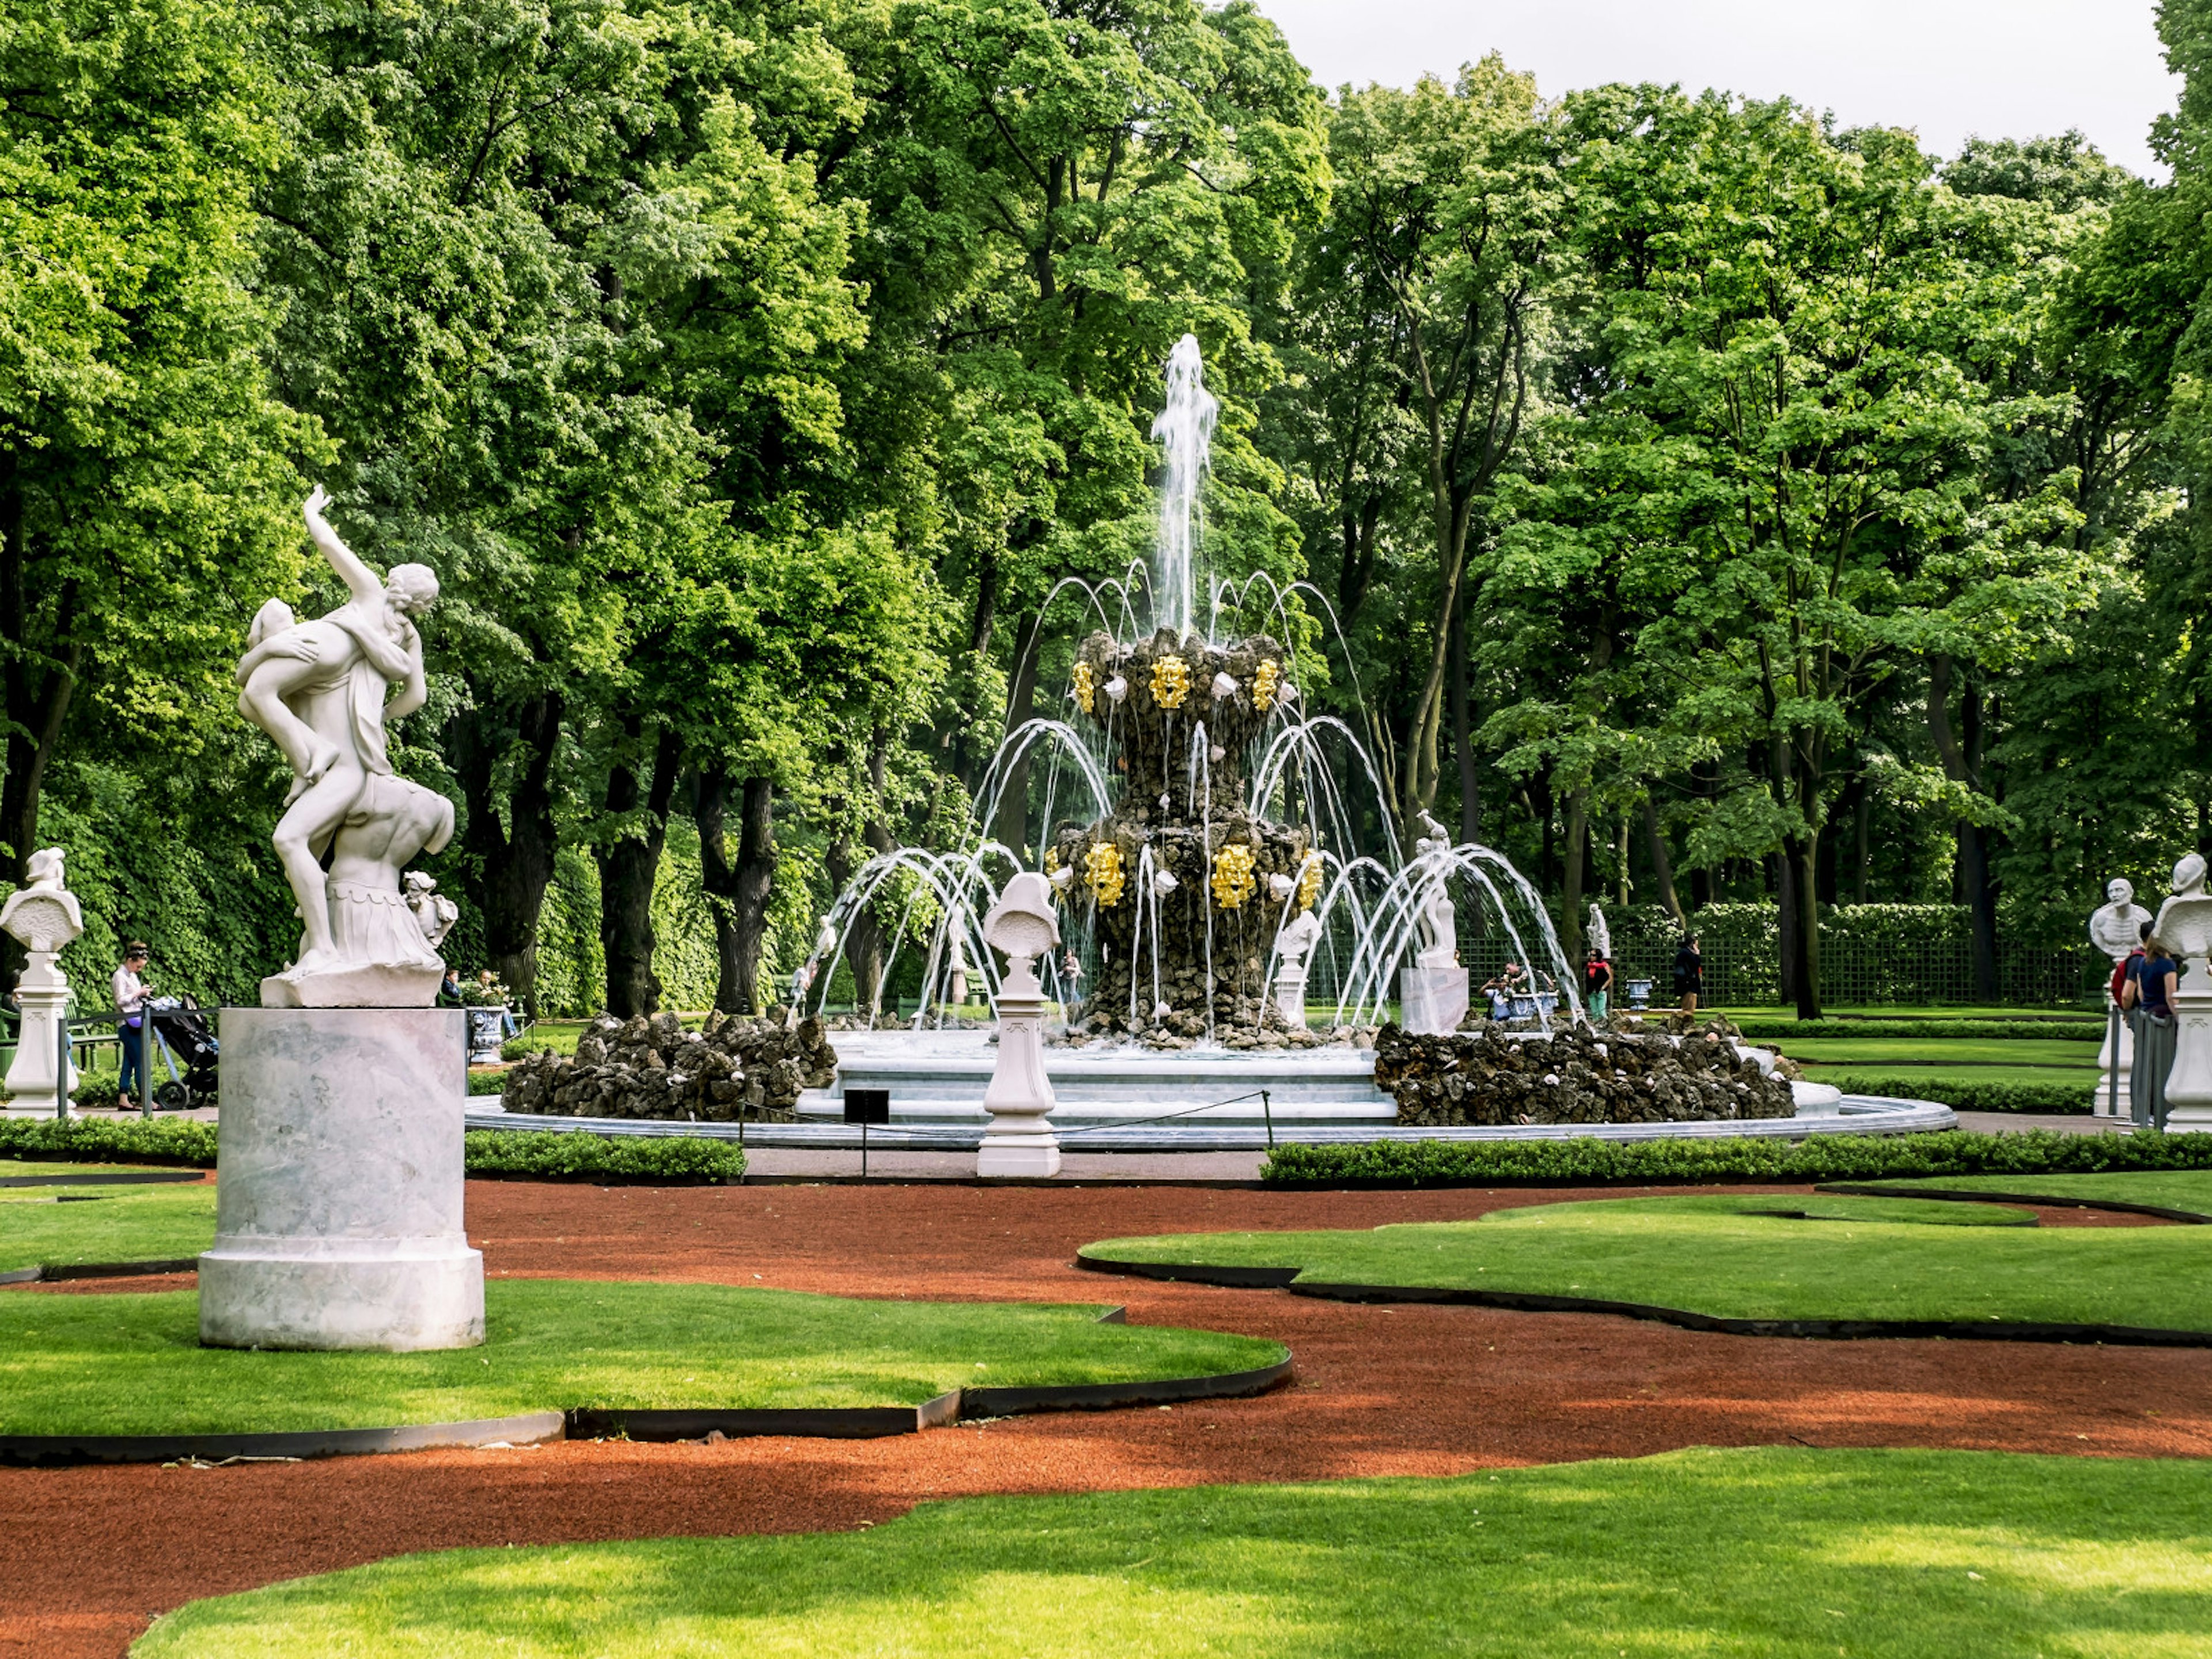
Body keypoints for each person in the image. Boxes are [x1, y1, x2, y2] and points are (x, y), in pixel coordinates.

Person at [2123, 933, 2181, 1130]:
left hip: (2146, 1016)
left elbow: (2140, 993)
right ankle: (2162, 1113)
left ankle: (2145, 1112)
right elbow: (2171, 997)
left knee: (2147, 1066)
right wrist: (2182, 1022)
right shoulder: (2168, 965)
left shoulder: (2143, 963)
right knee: (2166, 1066)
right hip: (2164, 1019)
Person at [112, 942, 151, 1111]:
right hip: (127, 1024)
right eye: (138, 966)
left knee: (128, 1063)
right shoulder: (119, 976)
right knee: (141, 1062)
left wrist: (143, 992)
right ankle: (146, 1099)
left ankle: (124, 1098)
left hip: (136, 1021)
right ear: (130, 960)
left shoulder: (132, 976)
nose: (139, 969)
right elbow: (120, 1000)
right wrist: (138, 993)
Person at [1672, 934, 1703, 1016]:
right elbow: (1695, 964)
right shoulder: (1686, 953)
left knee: (1691, 999)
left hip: (1689, 980)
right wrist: (1697, 955)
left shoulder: (1684, 952)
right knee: (1689, 1002)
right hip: (1688, 981)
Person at [1584, 949, 1613, 1022]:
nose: (1592, 957)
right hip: (1591, 991)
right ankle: (1596, 1027)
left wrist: (1603, 987)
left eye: (1594, 955)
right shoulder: (1589, 965)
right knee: (1594, 1012)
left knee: (1602, 1012)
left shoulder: (1604, 965)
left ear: (1598, 956)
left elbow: (1610, 978)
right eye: (1590, 955)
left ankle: (1606, 1026)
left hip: (1600, 991)